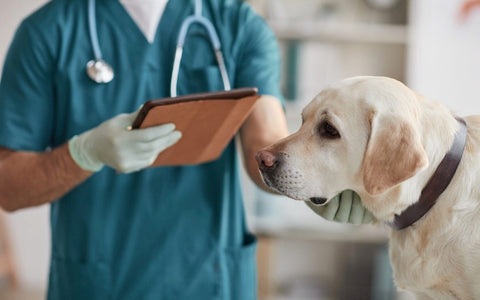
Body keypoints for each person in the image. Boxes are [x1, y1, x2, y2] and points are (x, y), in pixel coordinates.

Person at [0, 0, 370, 299]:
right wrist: (83, 153)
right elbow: (8, 186)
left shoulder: (238, 27)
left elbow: (265, 143)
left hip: (208, 280)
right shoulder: (47, 34)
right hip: (98, 282)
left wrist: (308, 180)